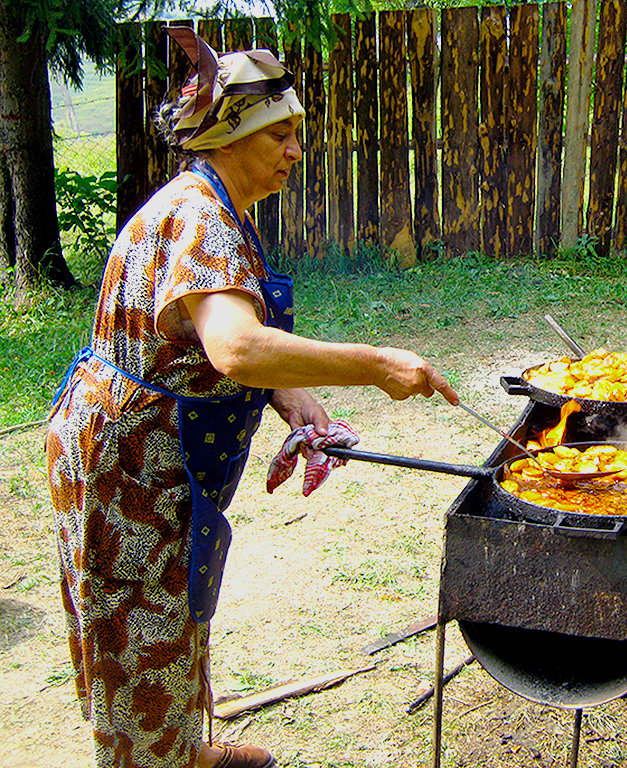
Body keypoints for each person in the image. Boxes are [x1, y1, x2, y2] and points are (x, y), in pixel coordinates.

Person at [45, 28, 458, 768]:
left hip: (151, 450)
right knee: (140, 622)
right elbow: (234, 347)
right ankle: (150, 759)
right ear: (230, 135)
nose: (296, 151)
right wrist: (374, 364)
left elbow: (203, 335)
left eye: (298, 134)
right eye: (282, 134)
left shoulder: (219, 203)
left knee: (175, 602)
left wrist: (287, 392)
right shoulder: (203, 219)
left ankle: (183, 748)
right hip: (129, 465)